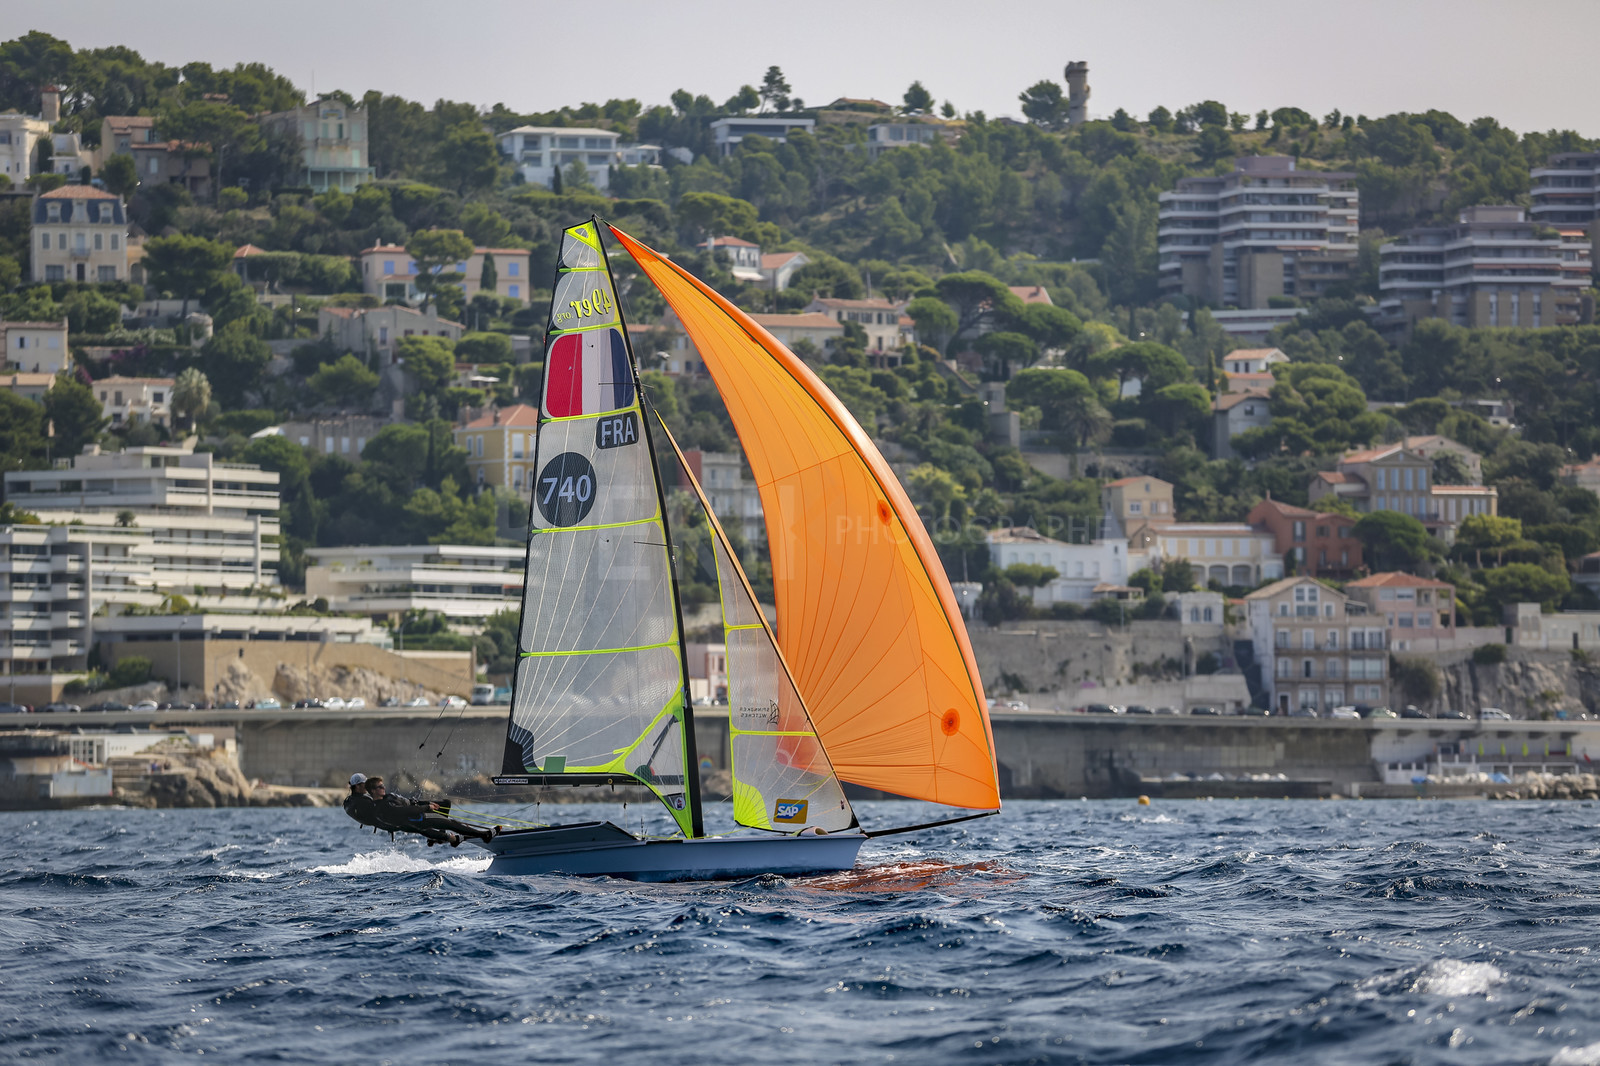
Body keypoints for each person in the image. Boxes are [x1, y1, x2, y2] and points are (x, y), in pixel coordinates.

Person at [364, 776, 497, 847]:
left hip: (419, 812)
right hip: (418, 819)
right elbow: (406, 811)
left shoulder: (388, 797)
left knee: (445, 804)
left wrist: (427, 803)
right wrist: (427, 808)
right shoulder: (382, 806)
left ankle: (441, 836)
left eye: (383, 785)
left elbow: (409, 802)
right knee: (451, 823)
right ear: (373, 791)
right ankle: (483, 835)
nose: (383, 787)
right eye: (380, 787)